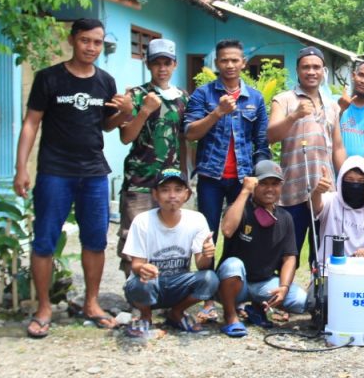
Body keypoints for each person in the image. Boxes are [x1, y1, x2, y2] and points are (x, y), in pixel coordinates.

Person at [13, 18, 132, 339]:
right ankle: (43, 308)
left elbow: (107, 126)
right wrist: (21, 167)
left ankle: (92, 304)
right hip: (55, 172)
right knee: (44, 241)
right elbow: (30, 123)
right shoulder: (49, 78)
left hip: (93, 173)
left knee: (95, 241)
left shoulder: (105, 81)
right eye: (85, 41)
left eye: (97, 42)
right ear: (72, 40)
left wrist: (126, 111)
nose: (91, 47)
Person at [185, 39, 269, 322]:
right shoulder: (203, 95)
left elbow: (261, 141)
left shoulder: (255, 98)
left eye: (235, 60)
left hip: (243, 179)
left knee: (240, 237)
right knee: (207, 236)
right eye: (224, 60)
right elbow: (191, 133)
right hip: (211, 176)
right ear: (216, 64)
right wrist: (217, 112)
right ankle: (206, 298)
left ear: (243, 63)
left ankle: (235, 296)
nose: (230, 65)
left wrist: (256, 177)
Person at [116, 38, 189, 278]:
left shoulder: (182, 98)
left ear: (175, 65)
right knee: (134, 238)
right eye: (156, 63)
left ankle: (167, 294)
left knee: (170, 238)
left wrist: (185, 174)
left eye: (167, 63)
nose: (162, 68)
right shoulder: (136, 96)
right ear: (148, 65)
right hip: (140, 180)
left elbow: (182, 138)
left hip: (171, 182)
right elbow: (126, 137)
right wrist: (145, 110)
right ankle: (137, 297)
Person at [268, 46, 346, 262]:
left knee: (323, 255)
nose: (311, 72)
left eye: (316, 67)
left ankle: (318, 295)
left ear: (323, 71)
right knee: (286, 254)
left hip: (325, 192)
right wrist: (294, 116)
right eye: (306, 67)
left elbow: (338, 147)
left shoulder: (332, 106)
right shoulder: (283, 99)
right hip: (292, 191)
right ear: (297, 70)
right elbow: (271, 136)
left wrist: (345, 181)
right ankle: (284, 293)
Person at [216, 160, 309, 337]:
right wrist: (244, 191)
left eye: (275, 184)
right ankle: (230, 315)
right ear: (254, 184)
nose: (269, 189)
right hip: (236, 282)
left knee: (300, 301)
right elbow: (227, 230)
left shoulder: (285, 217)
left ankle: (256, 308)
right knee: (232, 265)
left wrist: (283, 287)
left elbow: (290, 257)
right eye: (263, 183)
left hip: (263, 283)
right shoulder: (240, 209)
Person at [121, 169, 219, 336]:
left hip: (177, 286)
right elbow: (136, 264)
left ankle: (177, 312)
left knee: (210, 278)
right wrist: (144, 269)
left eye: (178, 189)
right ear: (155, 194)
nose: (172, 195)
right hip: (151, 284)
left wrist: (207, 253)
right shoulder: (142, 221)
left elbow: (202, 265)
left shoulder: (197, 220)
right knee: (141, 282)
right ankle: (145, 315)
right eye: (165, 190)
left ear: (186, 194)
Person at [310, 155, 364, 265]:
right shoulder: (330, 200)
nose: (355, 185)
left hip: (359, 270)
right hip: (328, 270)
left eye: (361, 181)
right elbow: (314, 206)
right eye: (349, 180)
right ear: (341, 180)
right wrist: (318, 191)